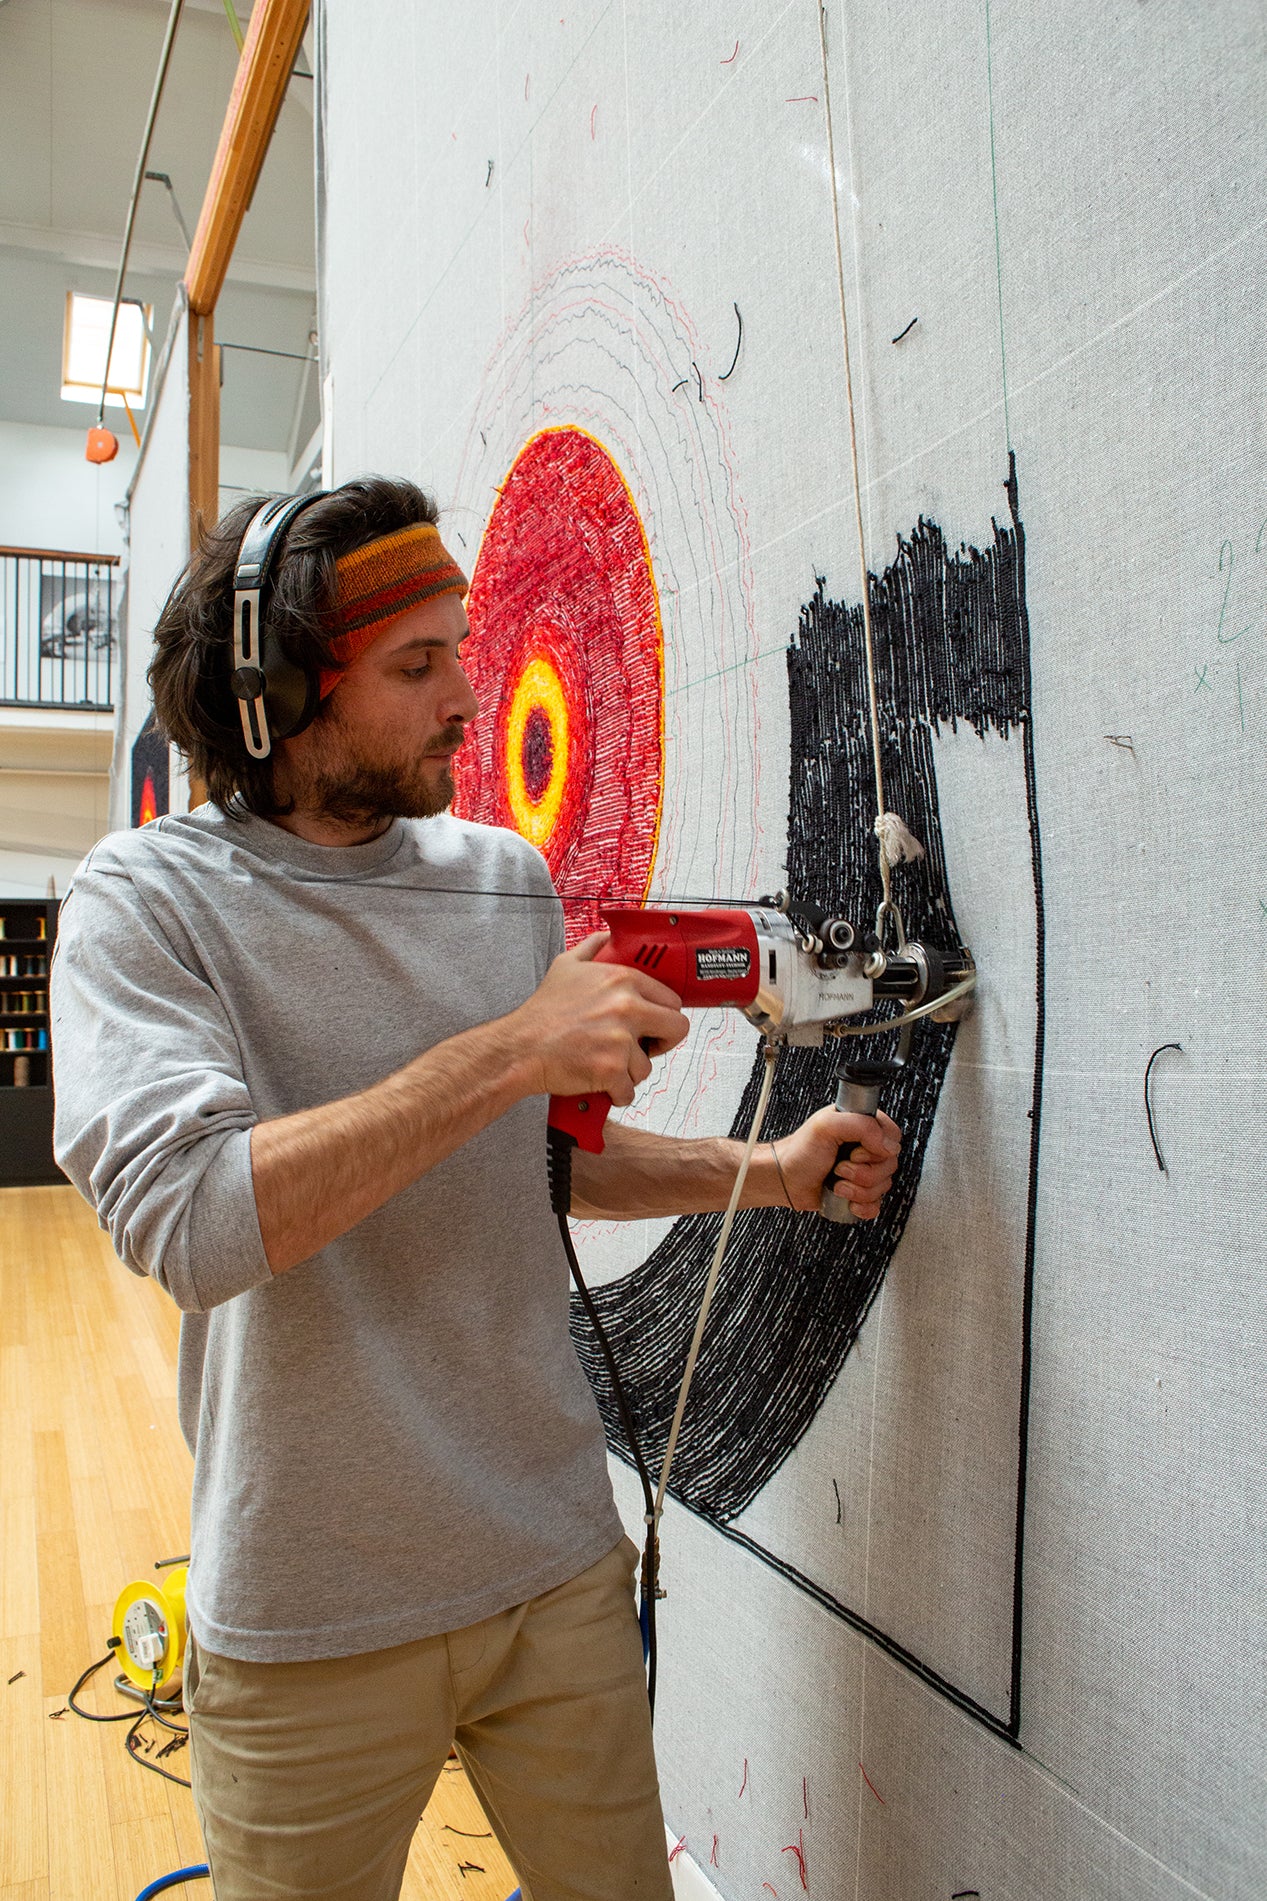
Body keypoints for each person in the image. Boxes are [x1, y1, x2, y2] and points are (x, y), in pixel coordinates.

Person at [51, 478, 902, 1901]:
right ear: (270, 698)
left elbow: (534, 1160)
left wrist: (768, 1173)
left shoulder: (502, 882)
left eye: (463, 646)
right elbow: (195, 1224)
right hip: (307, 1609)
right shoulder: (144, 902)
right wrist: (509, 1047)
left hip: (550, 1561)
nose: (469, 694)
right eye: (417, 663)